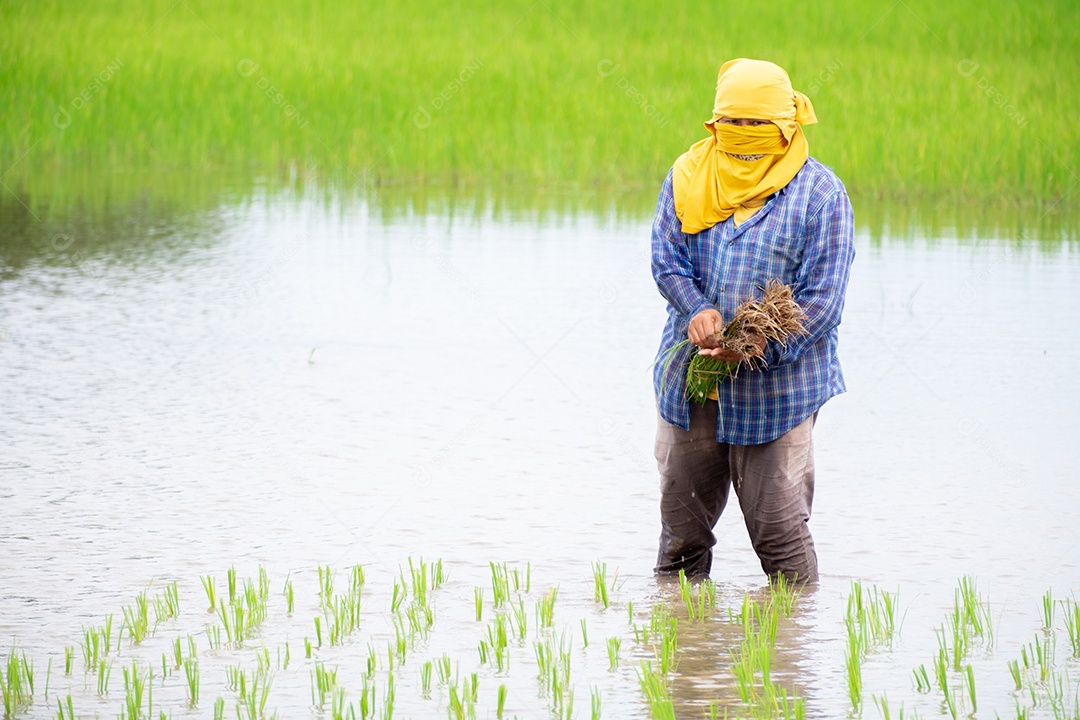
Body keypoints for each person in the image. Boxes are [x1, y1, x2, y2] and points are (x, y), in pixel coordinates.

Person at [650, 58, 855, 585]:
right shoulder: (688, 176)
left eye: (755, 124)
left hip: (779, 394)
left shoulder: (820, 196)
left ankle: (790, 655)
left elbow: (823, 302)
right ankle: (686, 653)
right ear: (714, 123)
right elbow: (666, 259)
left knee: (779, 538)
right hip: (693, 387)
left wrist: (756, 345)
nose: (741, 136)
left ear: (785, 126)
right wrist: (696, 309)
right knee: (681, 543)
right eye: (731, 123)